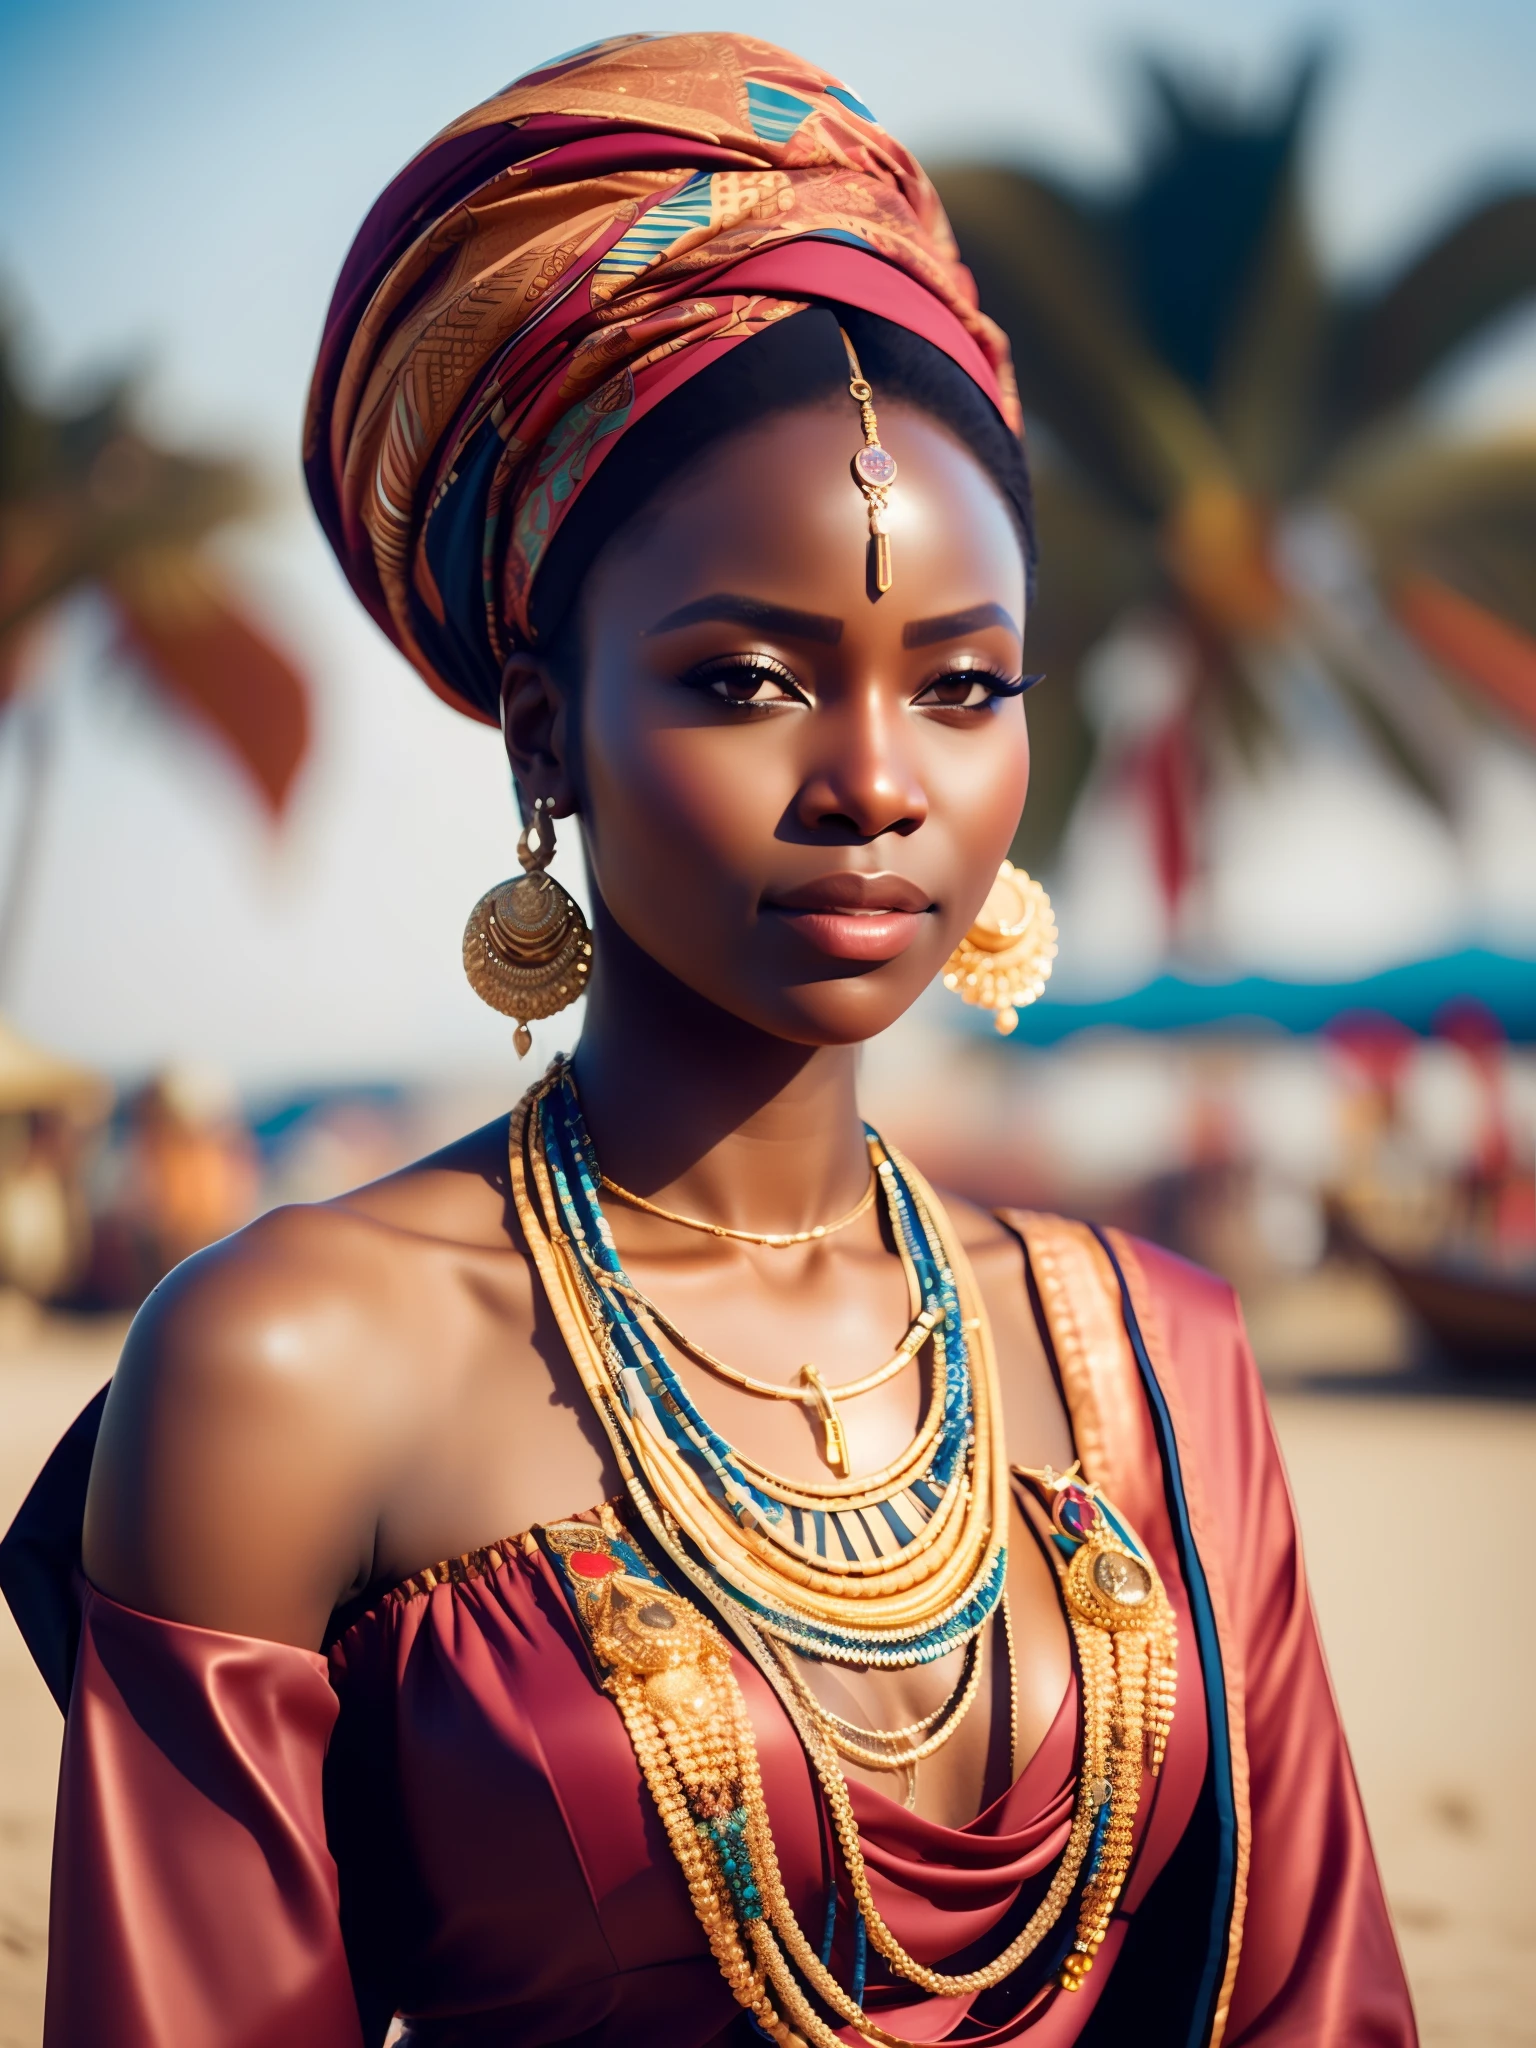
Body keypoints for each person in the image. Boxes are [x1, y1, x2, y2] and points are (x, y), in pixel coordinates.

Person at [1, 34, 1415, 2048]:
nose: (873, 780)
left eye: (964, 683)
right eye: (747, 676)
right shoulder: (288, 1369)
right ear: (544, 728)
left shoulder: (1162, 1364)